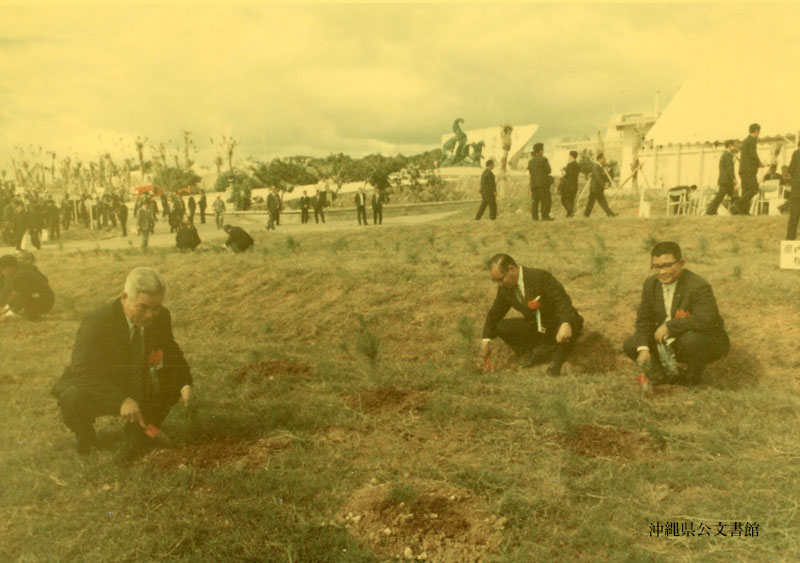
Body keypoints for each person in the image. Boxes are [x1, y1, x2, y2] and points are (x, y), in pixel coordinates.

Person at [50, 268, 193, 456]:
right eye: (143, 307)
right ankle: (85, 434)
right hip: (102, 384)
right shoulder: (97, 321)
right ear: (124, 297)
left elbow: (170, 351)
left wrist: (184, 382)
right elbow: (83, 369)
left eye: (156, 307)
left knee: (172, 383)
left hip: (137, 380)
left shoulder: (162, 316)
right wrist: (120, 400)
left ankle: (139, 429)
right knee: (72, 398)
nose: (150, 315)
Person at [623, 241, 729, 386]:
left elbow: (706, 319)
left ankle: (692, 378)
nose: (662, 272)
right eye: (656, 267)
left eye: (667, 265)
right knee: (631, 344)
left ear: (681, 263)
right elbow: (644, 320)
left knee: (691, 340)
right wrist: (643, 349)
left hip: (702, 342)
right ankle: (664, 375)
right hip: (670, 341)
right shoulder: (650, 284)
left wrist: (670, 326)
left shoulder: (698, 286)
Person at [480, 253, 583, 377]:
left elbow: (562, 301)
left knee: (570, 325)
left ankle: (555, 364)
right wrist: (485, 340)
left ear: (511, 269)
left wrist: (565, 323)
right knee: (499, 326)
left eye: (501, 279)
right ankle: (534, 352)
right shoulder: (505, 288)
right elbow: (495, 313)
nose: (500, 284)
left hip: (557, 324)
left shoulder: (540, 277)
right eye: (495, 281)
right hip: (537, 327)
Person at [0, 254, 54, 321]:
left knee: (27, 311)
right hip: (47, 295)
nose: (3, 272)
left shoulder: (20, 277)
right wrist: (7, 307)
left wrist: (7, 314)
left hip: (44, 301)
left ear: (9, 267)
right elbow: (45, 279)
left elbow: (21, 298)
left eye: (3, 270)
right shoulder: (21, 265)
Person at [735, 123, 768, 215]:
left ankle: (743, 211)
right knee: (754, 189)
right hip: (749, 170)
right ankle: (737, 204)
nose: (759, 134)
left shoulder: (745, 141)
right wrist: (759, 163)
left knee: (745, 190)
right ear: (756, 131)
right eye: (759, 132)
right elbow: (753, 154)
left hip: (743, 170)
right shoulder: (752, 140)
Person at [706, 140, 738, 215]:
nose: (735, 147)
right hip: (727, 181)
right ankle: (710, 212)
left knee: (733, 196)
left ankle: (736, 211)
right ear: (730, 146)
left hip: (724, 180)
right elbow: (729, 168)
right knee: (720, 197)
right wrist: (733, 178)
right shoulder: (728, 155)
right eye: (734, 146)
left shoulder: (724, 154)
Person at [583, 153, 617, 218]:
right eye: (603, 159)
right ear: (599, 159)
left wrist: (607, 182)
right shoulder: (595, 167)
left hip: (599, 188)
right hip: (594, 188)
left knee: (603, 202)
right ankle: (586, 215)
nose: (605, 160)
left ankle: (610, 214)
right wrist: (604, 185)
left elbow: (603, 177)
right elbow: (598, 177)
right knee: (591, 202)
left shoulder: (601, 167)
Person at [528, 143, 553, 221]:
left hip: (534, 184)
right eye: (542, 150)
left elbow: (531, 172)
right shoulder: (543, 159)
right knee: (546, 200)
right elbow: (548, 170)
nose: (543, 151)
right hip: (543, 184)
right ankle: (545, 216)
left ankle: (534, 217)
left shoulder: (530, 161)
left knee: (535, 202)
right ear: (540, 151)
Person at [785, 140, 800, 240]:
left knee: (794, 217)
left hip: (797, 190)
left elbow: (790, 170)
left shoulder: (796, 153)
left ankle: (790, 240)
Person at [559, 150, 580, 217]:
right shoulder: (577, 165)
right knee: (571, 200)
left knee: (564, 199)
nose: (568, 157)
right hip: (575, 184)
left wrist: (562, 170)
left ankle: (570, 211)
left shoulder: (570, 164)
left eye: (569, 155)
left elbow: (566, 175)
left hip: (568, 185)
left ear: (571, 156)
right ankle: (569, 215)